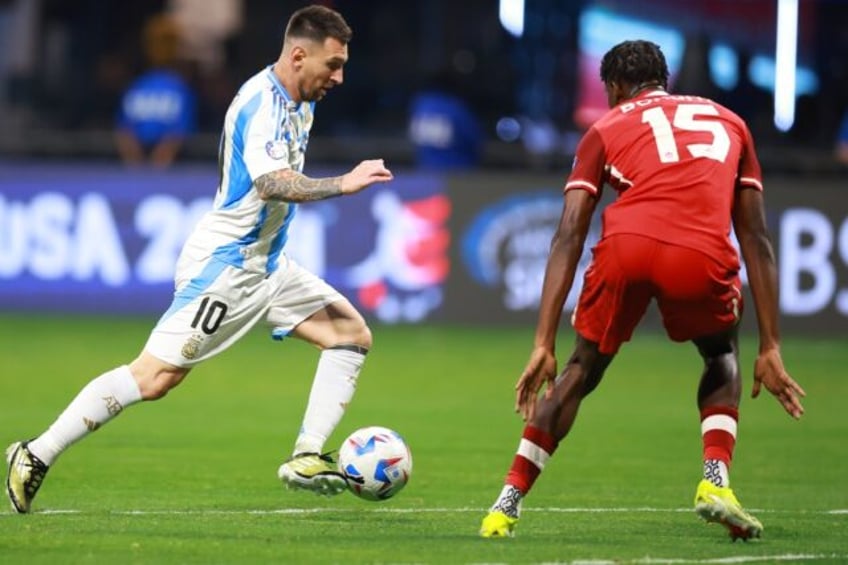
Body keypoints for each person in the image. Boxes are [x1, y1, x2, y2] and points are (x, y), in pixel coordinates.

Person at [5, 4, 394, 514]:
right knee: (154, 378)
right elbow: (271, 181)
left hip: (268, 265)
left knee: (349, 334)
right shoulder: (261, 104)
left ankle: (304, 456)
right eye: (332, 65)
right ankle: (34, 454)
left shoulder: (302, 95)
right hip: (227, 266)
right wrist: (343, 183)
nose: (339, 77)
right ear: (299, 56)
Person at [478, 40, 806, 541]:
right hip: (699, 252)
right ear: (664, 80)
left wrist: (543, 341)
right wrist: (772, 345)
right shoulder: (730, 121)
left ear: (614, 87)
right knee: (721, 353)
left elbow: (568, 233)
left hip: (628, 246)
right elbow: (756, 238)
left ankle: (504, 506)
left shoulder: (605, 127)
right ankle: (715, 480)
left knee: (580, 368)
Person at [114, 13, 198, 168]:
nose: (162, 48)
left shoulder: (180, 89)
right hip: (140, 168)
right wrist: (136, 166)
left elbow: (178, 134)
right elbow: (124, 132)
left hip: (171, 170)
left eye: (167, 43)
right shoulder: (137, 86)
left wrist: (156, 167)